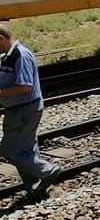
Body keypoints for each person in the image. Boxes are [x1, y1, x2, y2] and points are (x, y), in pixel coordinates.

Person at [0, 24, 60, 200]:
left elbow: (25, 86)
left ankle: (48, 171)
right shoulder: (6, 56)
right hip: (17, 110)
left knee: (10, 151)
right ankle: (34, 189)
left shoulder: (21, 55)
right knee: (26, 150)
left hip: (25, 110)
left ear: (1, 39)